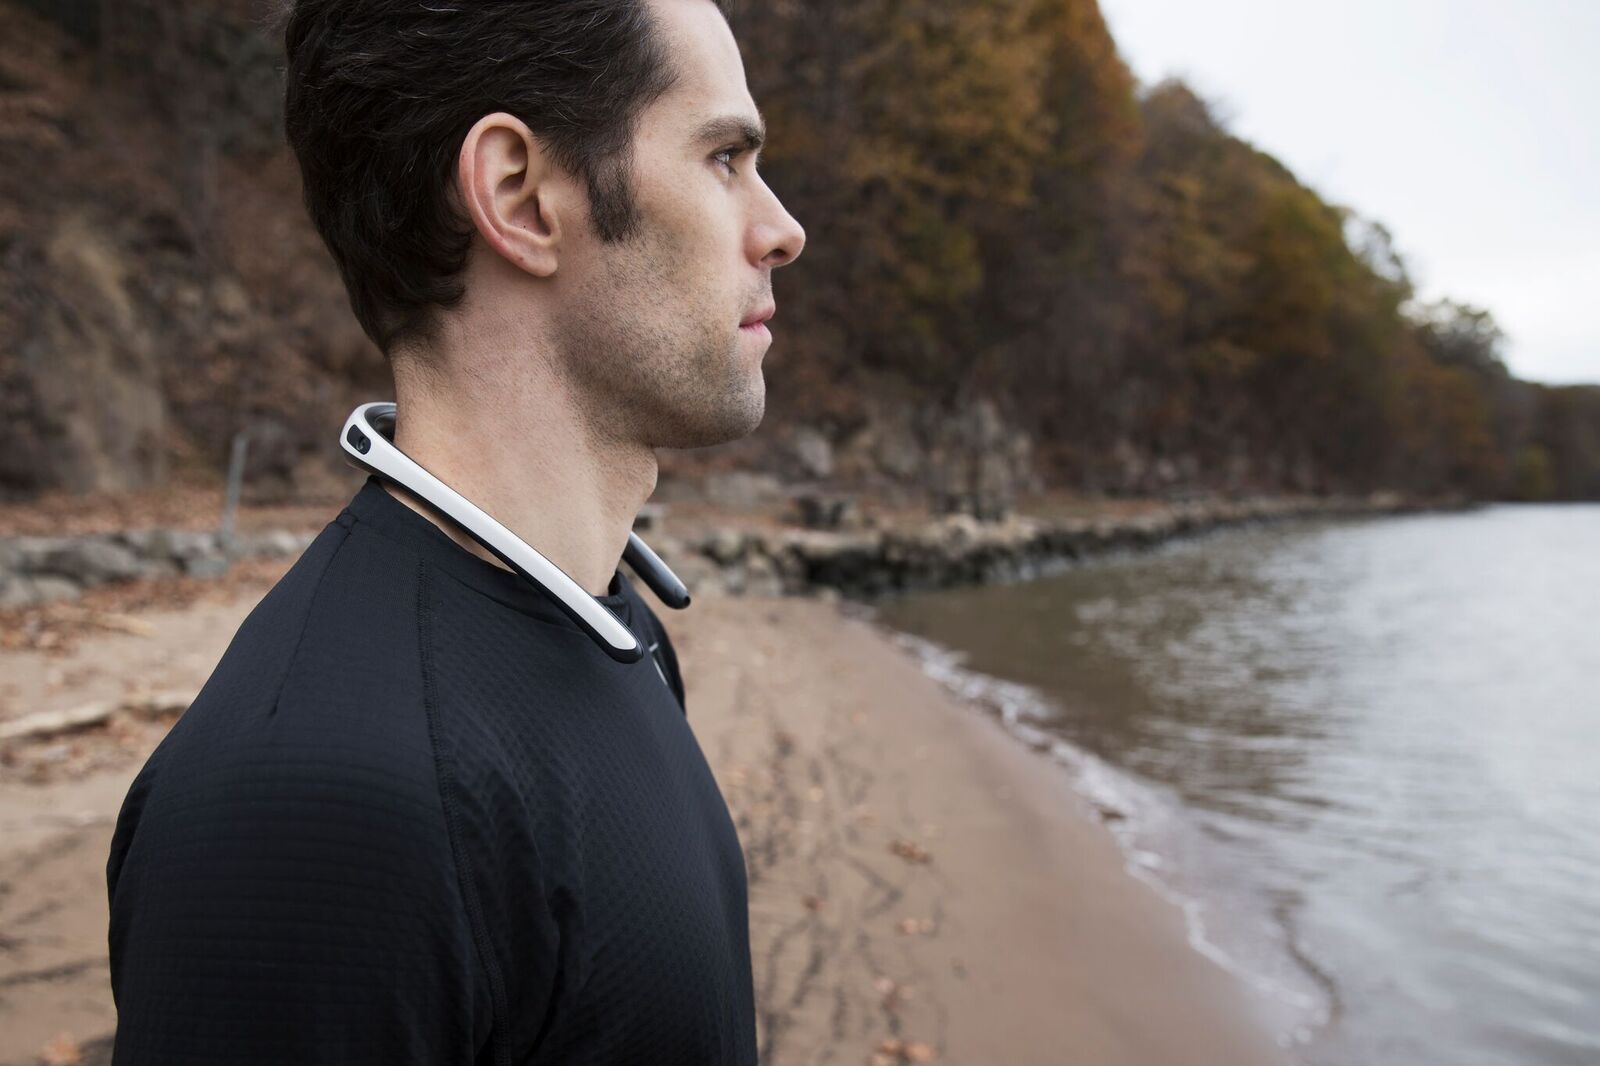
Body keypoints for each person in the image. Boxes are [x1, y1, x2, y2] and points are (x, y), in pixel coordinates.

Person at [104, 0, 805, 1062]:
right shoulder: (318, 804)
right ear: (520, 197)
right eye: (723, 157)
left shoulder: (614, 628)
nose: (781, 229)